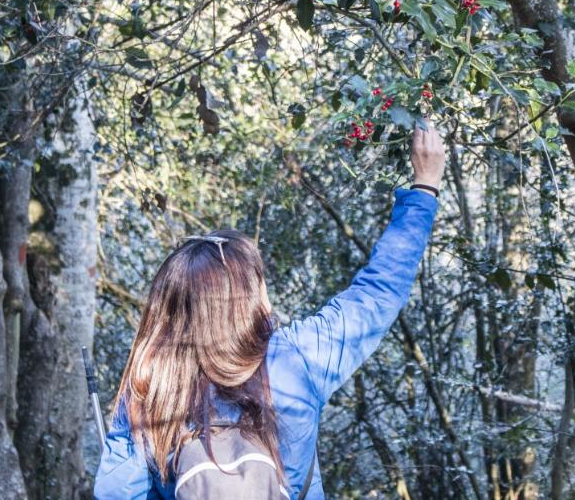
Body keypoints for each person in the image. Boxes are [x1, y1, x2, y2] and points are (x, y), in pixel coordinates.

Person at [94, 119, 446, 499]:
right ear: (250, 295)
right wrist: (424, 187)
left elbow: (115, 493)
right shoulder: (298, 359)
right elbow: (379, 293)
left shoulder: (150, 385)